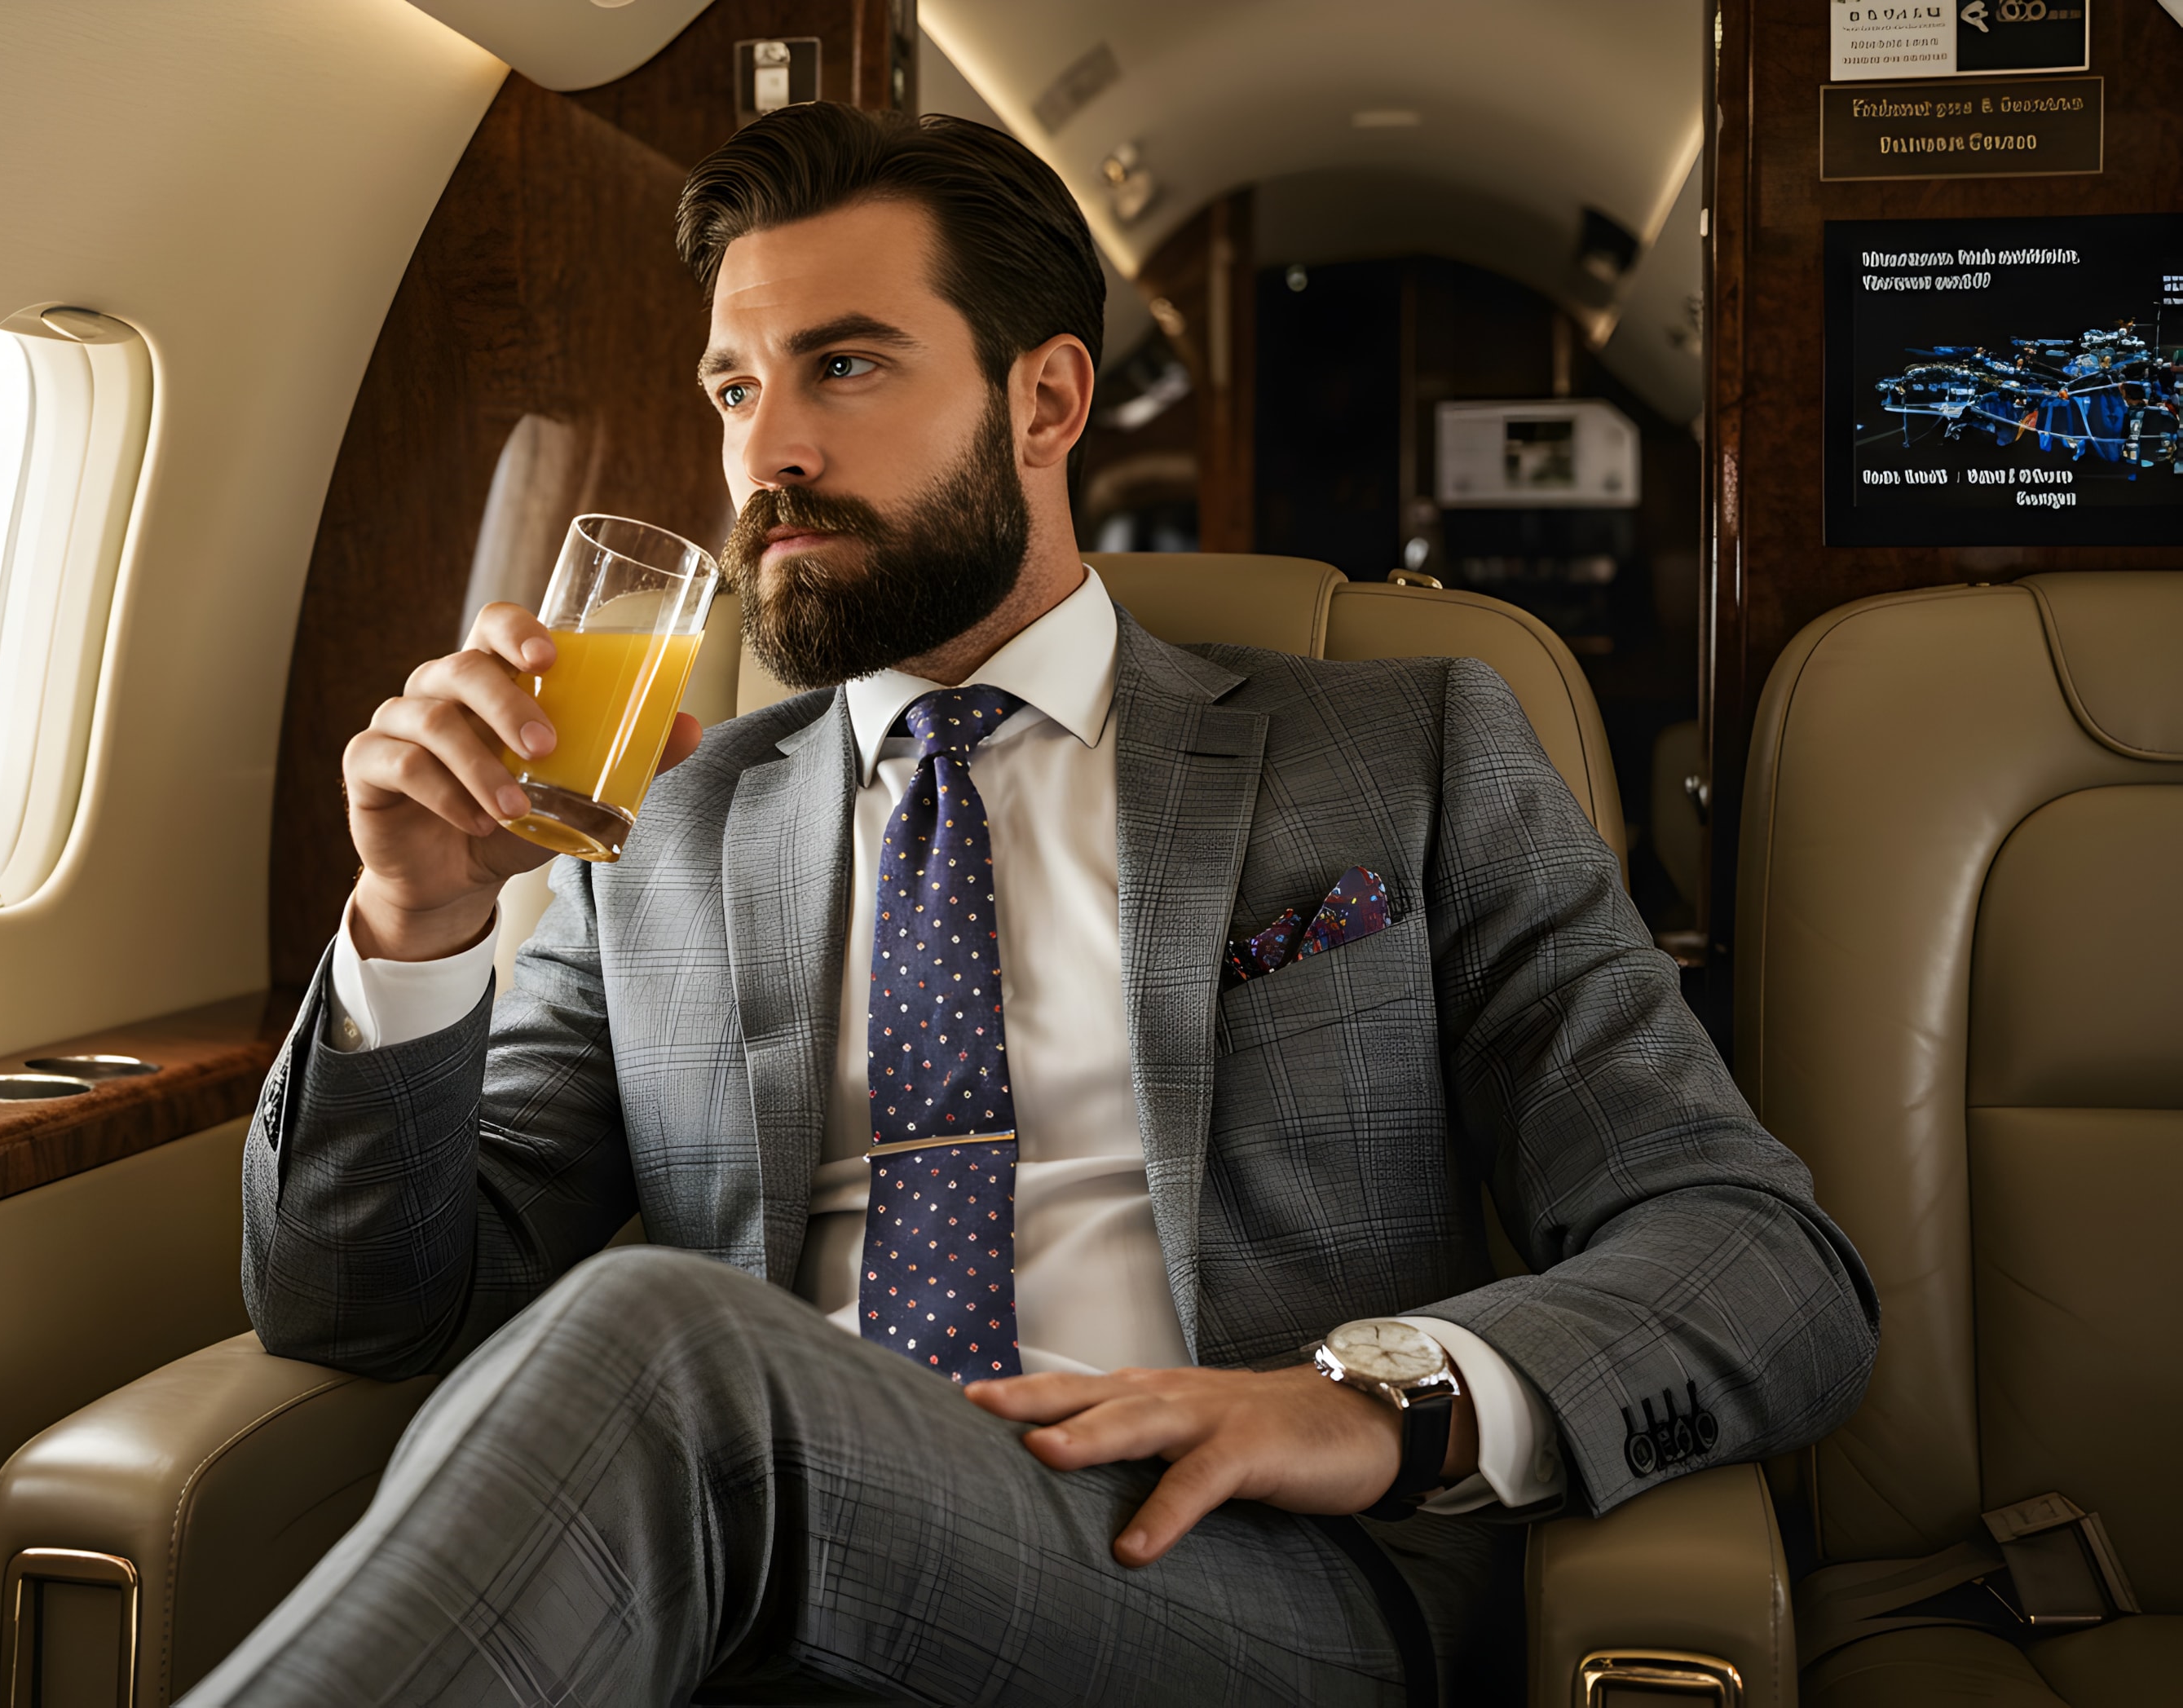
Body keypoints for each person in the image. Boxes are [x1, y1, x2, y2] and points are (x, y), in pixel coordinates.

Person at [194, 104, 1876, 1706]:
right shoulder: (674, 829)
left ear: (1047, 401)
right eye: (732, 384)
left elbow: (1759, 1258)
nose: (766, 448)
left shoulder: (1403, 753)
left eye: (843, 364)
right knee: (653, 1358)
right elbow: (377, 1307)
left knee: (656, 1333)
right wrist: (416, 924)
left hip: (1243, 1587)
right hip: (754, 1581)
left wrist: (1375, 1398)